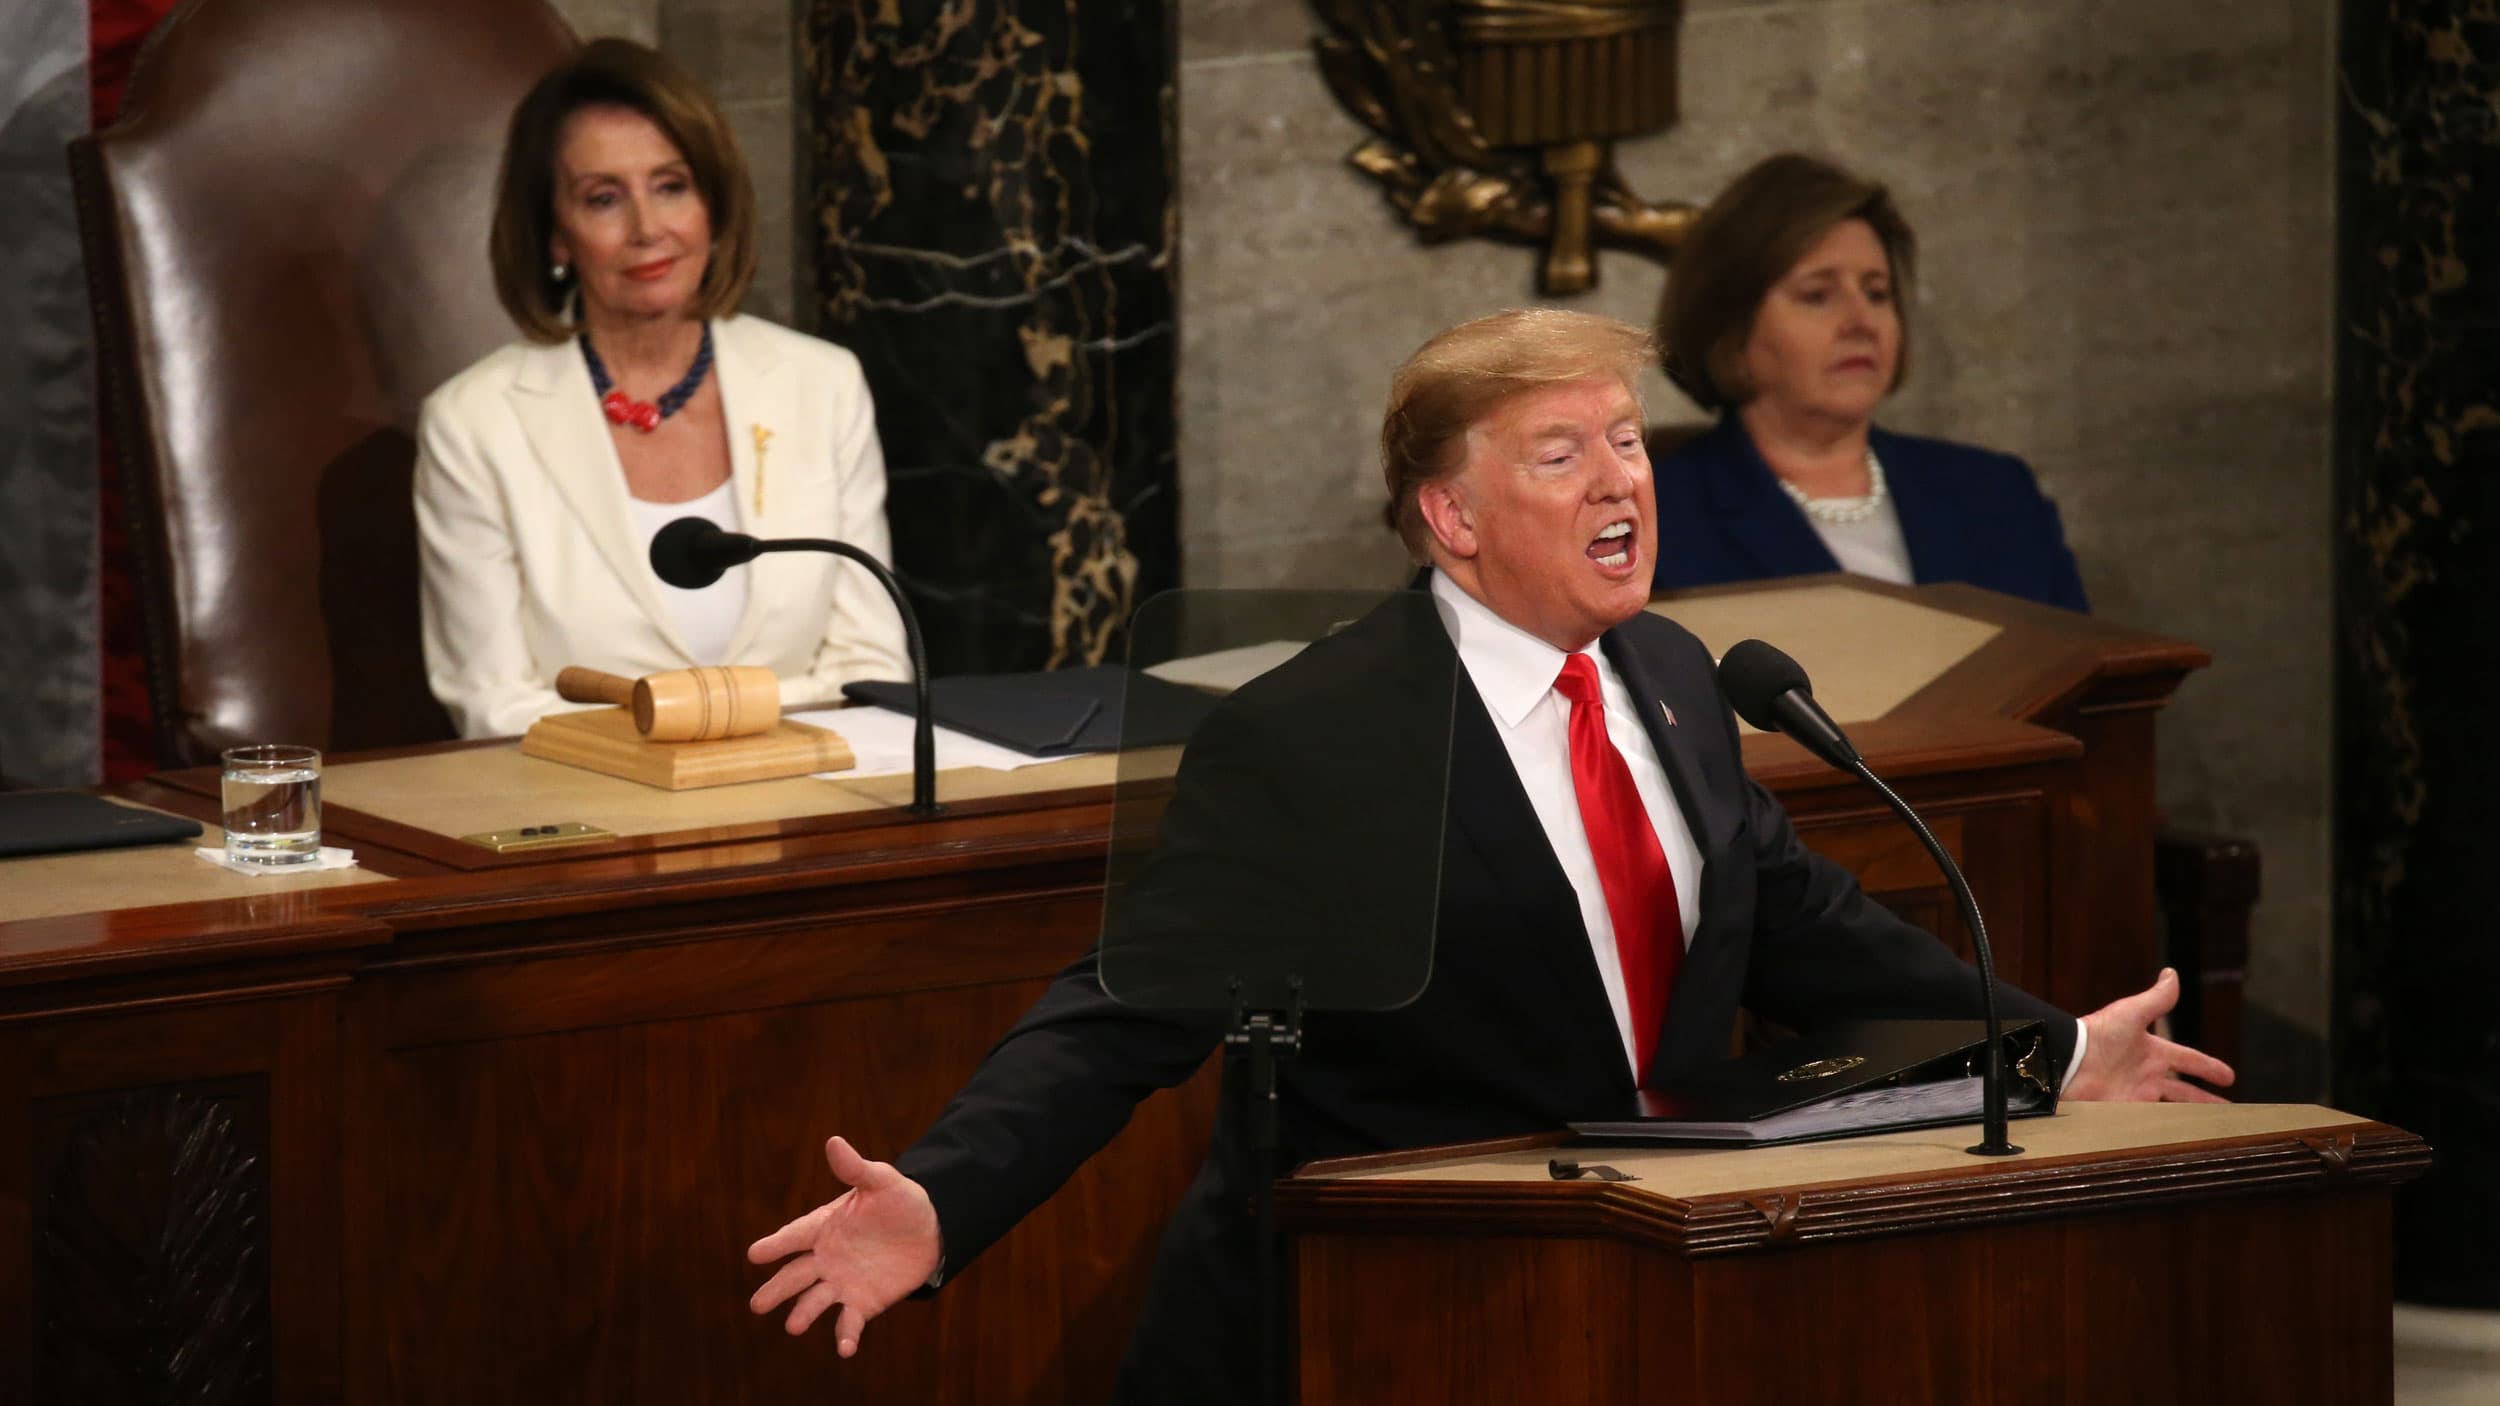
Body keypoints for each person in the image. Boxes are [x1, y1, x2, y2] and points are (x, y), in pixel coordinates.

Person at [745, 310, 2229, 1402]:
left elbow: (1804, 922)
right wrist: (945, 1194)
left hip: (1647, 1286)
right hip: (1395, 1320)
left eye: (1631, 443)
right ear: (1452, 516)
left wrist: (2047, 1052)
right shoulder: (1318, 731)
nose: (1620, 482)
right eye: (1563, 453)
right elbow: (1132, 1005)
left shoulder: (1672, 675)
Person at [414, 39, 908, 739]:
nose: (648, 229)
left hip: (805, 805)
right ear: (556, 235)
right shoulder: (474, 425)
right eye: (604, 199)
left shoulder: (822, 385)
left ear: (712, 204)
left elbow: (873, 671)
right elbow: (493, 708)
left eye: (671, 186)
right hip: (591, 819)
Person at [1651, 153, 2089, 612]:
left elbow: (2094, 675)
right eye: (1818, 296)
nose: (1862, 322)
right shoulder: (1658, 518)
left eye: (1877, 293)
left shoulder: (1998, 494)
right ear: (1730, 329)